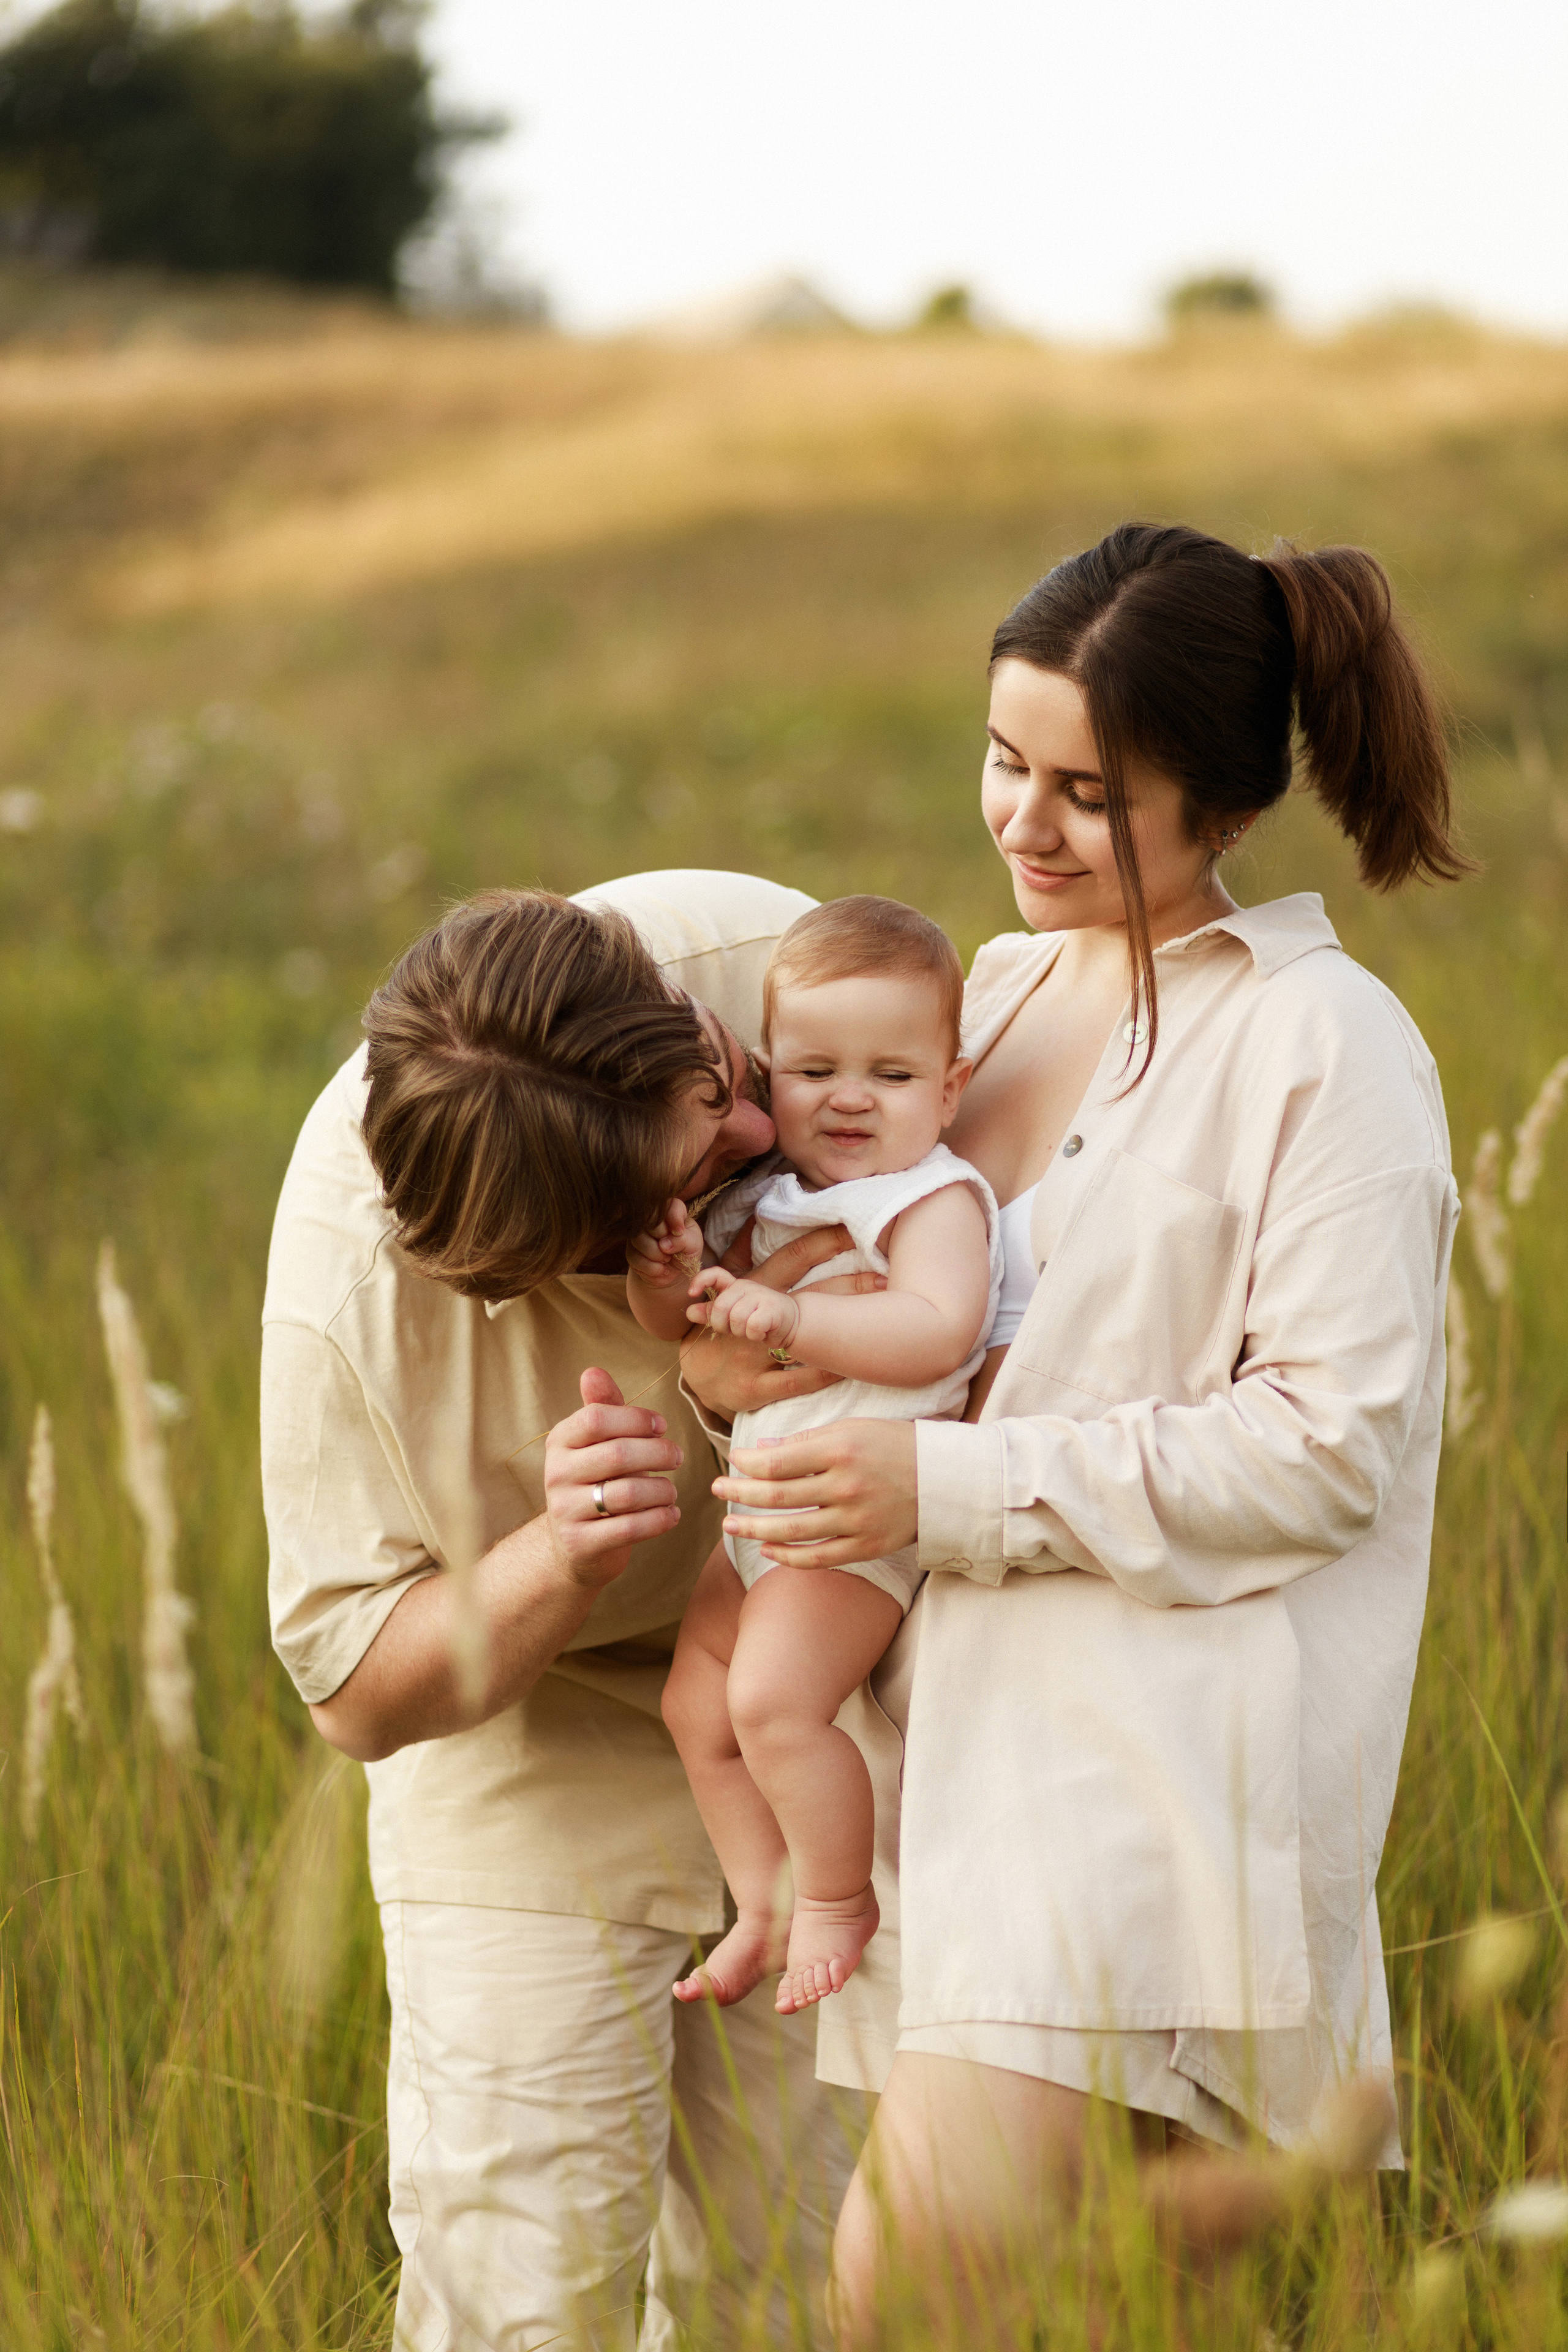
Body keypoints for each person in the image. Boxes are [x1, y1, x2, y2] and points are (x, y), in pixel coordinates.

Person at [678, 525, 1469, 2338]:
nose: (1021, 823)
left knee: (899, 2296)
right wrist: (746, 1364)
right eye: (1003, 761)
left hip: (1147, 1789)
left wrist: (936, 1485)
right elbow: (879, 1286)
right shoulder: (1002, 994)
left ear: (1224, 800)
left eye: (1088, 792)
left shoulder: (1327, 1046)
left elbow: (1328, 1447)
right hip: (948, 1763)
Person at [260, 869, 869, 2352]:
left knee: (791, 2287)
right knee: (523, 2294)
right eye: (693, 1174)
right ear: (544, 1263)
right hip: (523, 1745)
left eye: (717, 1080)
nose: (756, 1130)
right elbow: (355, 1699)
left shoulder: (766, 971)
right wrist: (557, 1556)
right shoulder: (353, 1291)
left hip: (814, 1718)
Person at [628, 898, 1001, 2017]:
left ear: (947, 1089)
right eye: (813, 1070)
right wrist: (673, 1274)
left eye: (891, 1076)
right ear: (767, 1077)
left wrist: (787, 1318)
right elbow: (685, 1334)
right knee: (697, 1710)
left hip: (849, 1529)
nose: (848, 1098)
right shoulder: (772, 1196)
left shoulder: (926, 1197)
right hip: (761, 1523)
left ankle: (838, 1899)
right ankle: (764, 1901)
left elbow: (939, 1329)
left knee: (776, 1706)